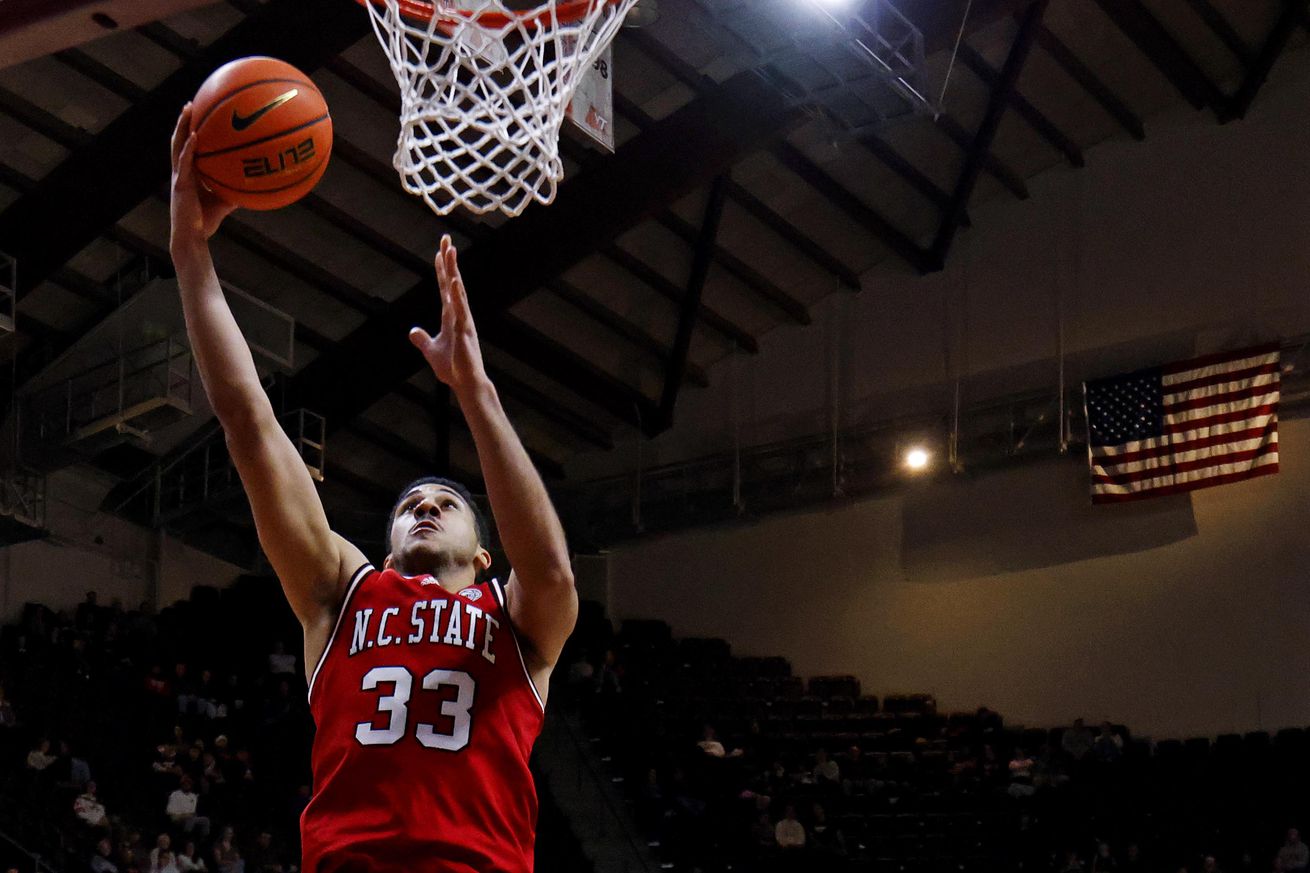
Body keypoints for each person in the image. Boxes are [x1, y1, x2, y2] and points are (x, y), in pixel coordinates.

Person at [169, 103, 578, 873]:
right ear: (385, 540)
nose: (422, 506)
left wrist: (475, 391)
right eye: (407, 506)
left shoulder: (519, 619)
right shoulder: (339, 592)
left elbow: (552, 569)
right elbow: (249, 424)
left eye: (444, 503)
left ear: (486, 555)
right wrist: (191, 253)